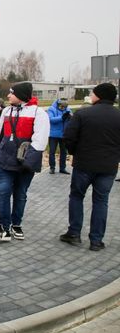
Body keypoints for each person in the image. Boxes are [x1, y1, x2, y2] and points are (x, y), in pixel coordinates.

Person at [59, 83, 120, 251]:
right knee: (101, 201)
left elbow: (69, 137)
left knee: (77, 196)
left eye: (93, 93)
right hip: (108, 167)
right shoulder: (118, 116)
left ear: (99, 96)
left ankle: (74, 233)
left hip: (84, 164)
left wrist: (74, 152)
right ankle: (96, 240)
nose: (91, 95)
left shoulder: (83, 114)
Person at [0, 82, 49, 242]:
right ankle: (4, 227)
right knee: (3, 192)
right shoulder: (7, 111)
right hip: (4, 161)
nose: (8, 96)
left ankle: (16, 224)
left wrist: (29, 162)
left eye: (11, 93)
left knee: (20, 194)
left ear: (21, 95)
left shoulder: (38, 113)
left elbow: (40, 140)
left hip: (24, 163)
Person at [47, 98, 72, 174]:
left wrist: (70, 117)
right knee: (52, 152)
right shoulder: (51, 109)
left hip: (64, 134)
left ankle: (62, 168)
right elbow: (50, 119)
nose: (63, 108)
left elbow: (71, 119)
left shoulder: (67, 109)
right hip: (53, 134)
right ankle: (52, 168)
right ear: (58, 104)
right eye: (61, 106)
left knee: (64, 152)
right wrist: (62, 118)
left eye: (64, 106)